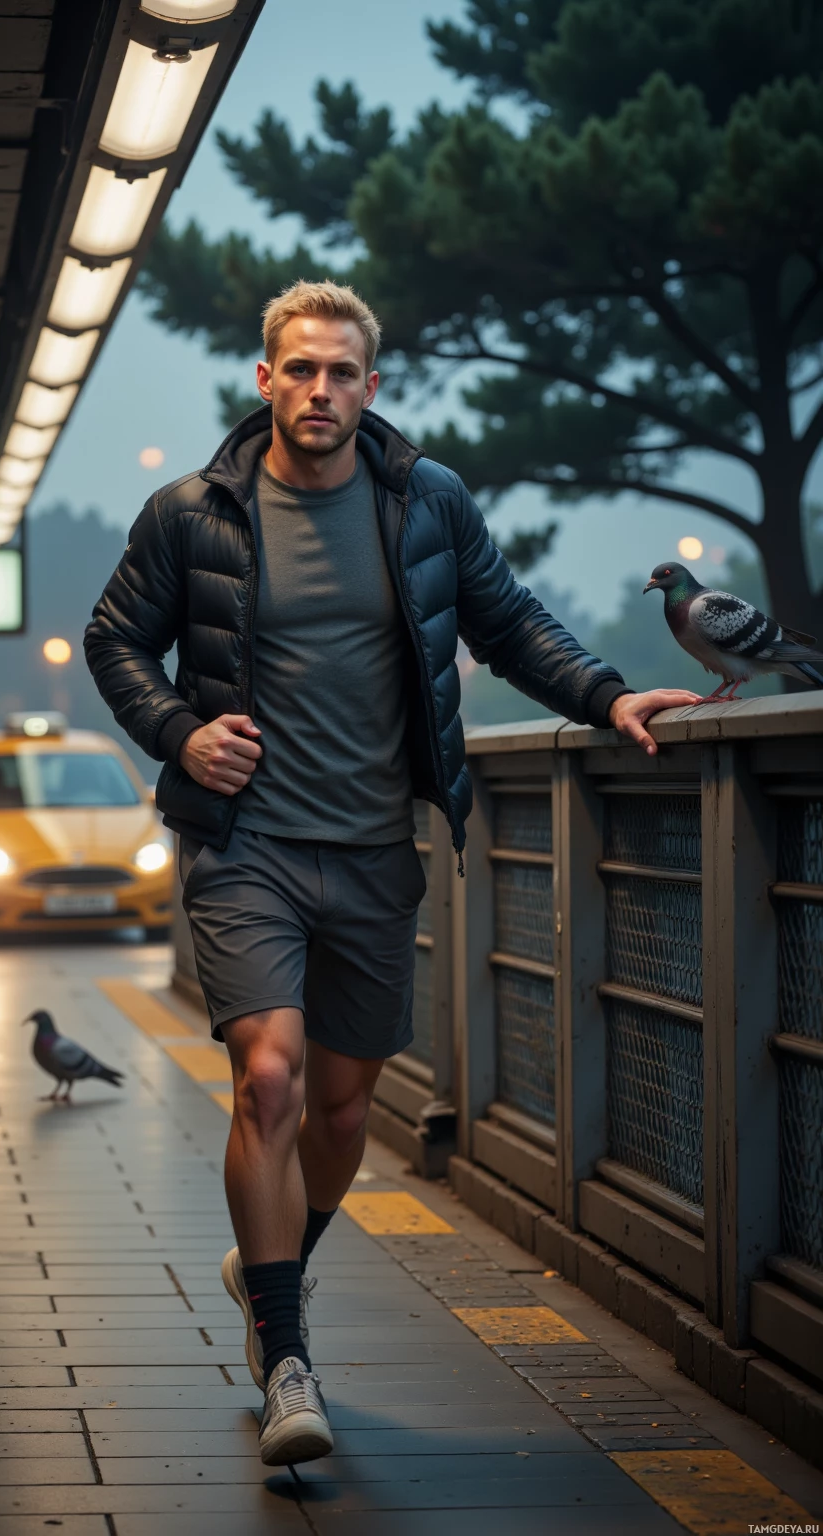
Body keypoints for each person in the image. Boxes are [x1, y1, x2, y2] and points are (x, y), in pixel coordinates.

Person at [84, 280, 699, 1466]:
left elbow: (510, 624)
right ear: (264, 381)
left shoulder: (425, 503)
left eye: (343, 373)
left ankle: (267, 1268)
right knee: (267, 1078)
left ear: (372, 387)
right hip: (245, 844)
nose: (321, 391)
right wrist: (178, 733)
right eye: (299, 371)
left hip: (376, 849)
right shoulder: (192, 513)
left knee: (346, 1107)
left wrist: (613, 693)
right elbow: (119, 639)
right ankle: (286, 1355)